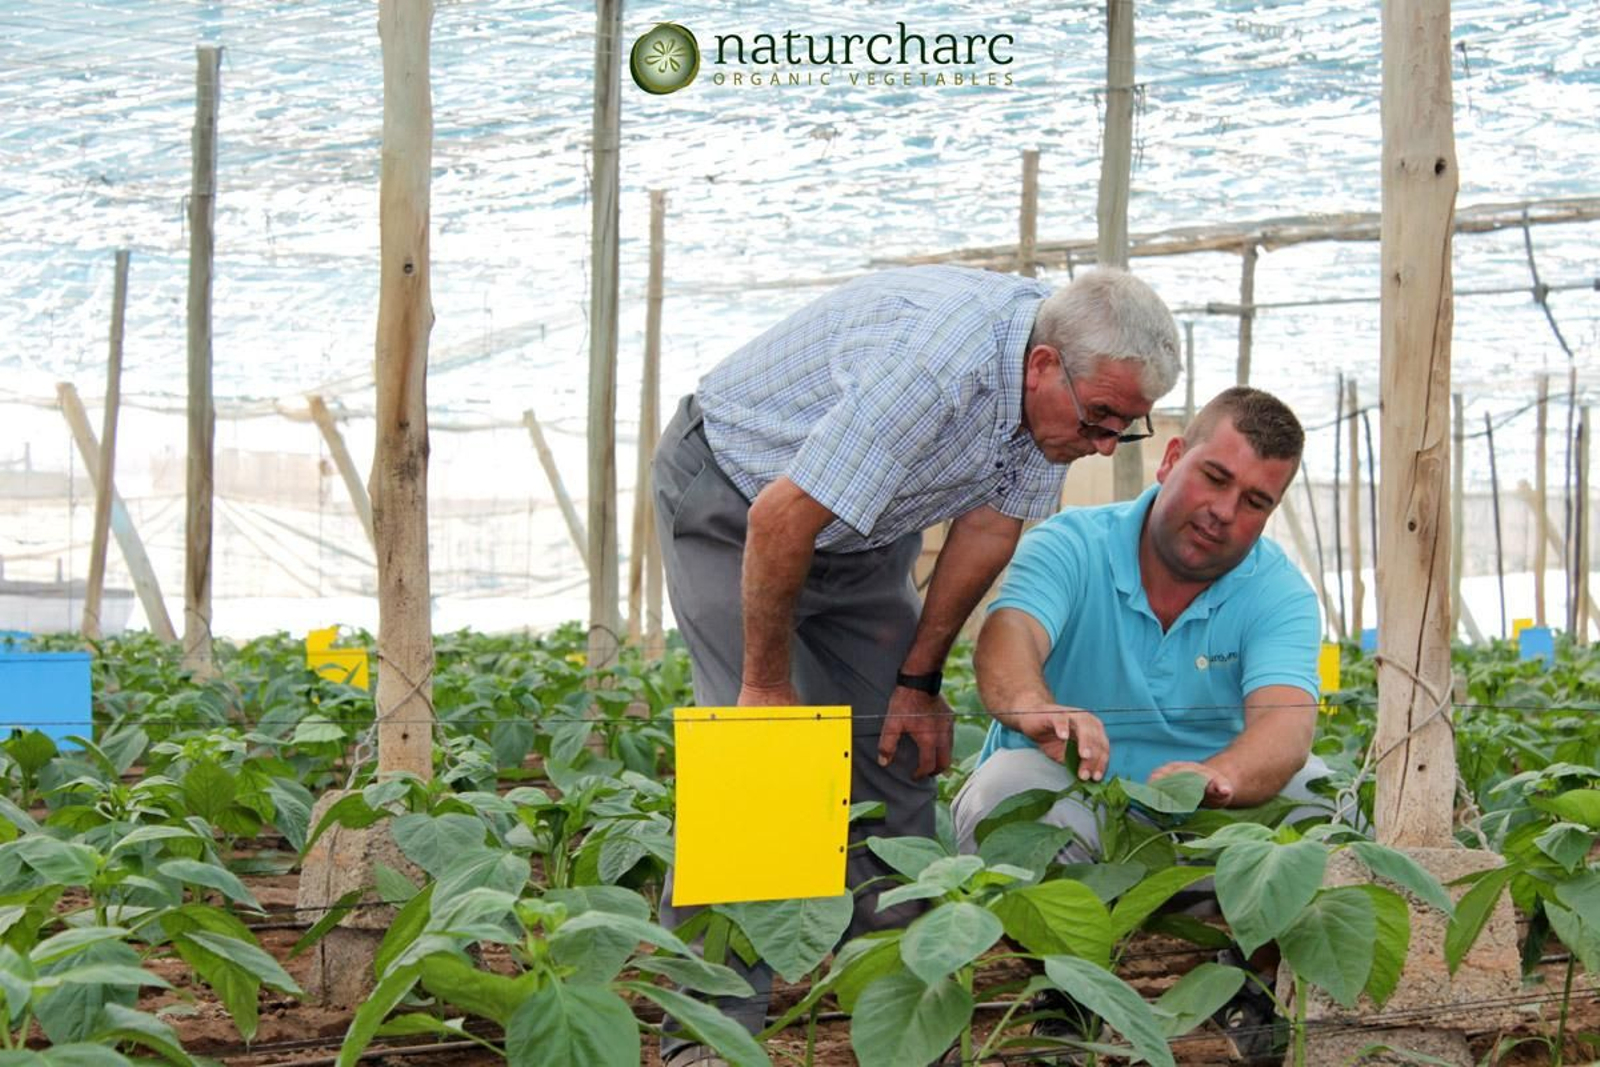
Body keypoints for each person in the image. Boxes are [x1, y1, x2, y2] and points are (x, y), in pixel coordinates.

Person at [652, 263, 1181, 1066]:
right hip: (739, 500)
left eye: (1126, 426)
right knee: (760, 765)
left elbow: (990, 529)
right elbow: (782, 518)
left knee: (900, 756)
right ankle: (707, 1039)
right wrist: (766, 687)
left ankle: (905, 1021)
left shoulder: (1055, 398)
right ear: (1043, 368)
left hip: (862, 533)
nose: (1106, 443)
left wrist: (917, 682)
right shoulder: (935, 368)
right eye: (1102, 418)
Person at [949, 385, 1327, 1060]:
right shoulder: (1074, 544)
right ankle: (1066, 989)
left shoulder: (1279, 592)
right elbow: (1010, 637)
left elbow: (1286, 726)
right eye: (1215, 478)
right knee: (1003, 789)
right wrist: (1039, 708)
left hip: (1205, 839)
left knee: (1318, 797)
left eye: (1254, 502)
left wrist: (1222, 774)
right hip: (1085, 822)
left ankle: (1254, 977)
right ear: (1171, 458)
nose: (1223, 512)